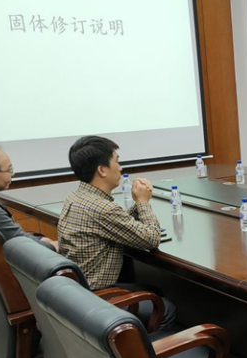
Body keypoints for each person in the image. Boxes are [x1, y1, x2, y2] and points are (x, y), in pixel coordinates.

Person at [57, 135, 176, 328]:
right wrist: (143, 203)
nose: (120, 168)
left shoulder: (77, 196)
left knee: (154, 290)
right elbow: (152, 239)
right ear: (102, 170)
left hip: (78, 294)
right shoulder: (102, 208)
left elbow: (116, 223)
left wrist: (137, 205)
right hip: (97, 298)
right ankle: (147, 347)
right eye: (117, 161)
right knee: (166, 308)